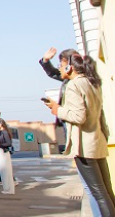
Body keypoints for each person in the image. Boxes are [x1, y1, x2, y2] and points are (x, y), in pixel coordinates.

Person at [45, 53, 115, 215]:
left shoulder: (74, 86)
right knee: (106, 190)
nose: (60, 69)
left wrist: (57, 110)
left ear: (69, 67)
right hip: (97, 142)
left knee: (98, 193)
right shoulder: (93, 83)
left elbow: (78, 116)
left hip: (84, 145)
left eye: (61, 66)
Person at [0, 119, 15, 195]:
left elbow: (8, 143)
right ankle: (6, 188)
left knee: (6, 171)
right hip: (0, 151)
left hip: (4, 152)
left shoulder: (5, 132)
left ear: (1, 124)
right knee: (3, 171)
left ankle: (9, 189)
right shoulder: (0, 132)